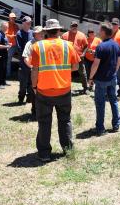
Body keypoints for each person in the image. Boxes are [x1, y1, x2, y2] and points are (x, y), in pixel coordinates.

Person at [31, 19, 80, 162]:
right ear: (59, 30)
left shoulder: (37, 46)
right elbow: (76, 67)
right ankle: (67, 150)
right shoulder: (68, 45)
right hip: (64, 90)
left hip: (44, 91)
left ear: (46, 31)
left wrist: (34, 86)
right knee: (65, 120)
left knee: (44, 122)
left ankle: (44, 154)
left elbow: (34, 70)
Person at [88, 22, 120, 136]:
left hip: (101, 80)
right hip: (112, 78)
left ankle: (100, 128)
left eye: (100, 30)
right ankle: (116, 125)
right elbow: (118, 62)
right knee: (113, 101)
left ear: (103, 32)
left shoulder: (101, 46)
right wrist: (114, 72)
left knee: (100, 103)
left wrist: (90, 78)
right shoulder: (116, 45)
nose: (98, 32)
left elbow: (95, 65)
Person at [22, 26, 44, 121]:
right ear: (35, 34)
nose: (42, 34)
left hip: (44, 72)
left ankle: (42, 111)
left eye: (42, 32)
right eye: (40, 33)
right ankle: (34, 112)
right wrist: (31, 67)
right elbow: (25, 57)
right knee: (34, 92)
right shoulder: (30, 44)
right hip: (35, 71)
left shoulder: (44, 42)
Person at [62, 21, 89, 94]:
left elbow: (86, 46)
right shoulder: (64, 35)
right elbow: (61, 46)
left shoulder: (82, 35)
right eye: (73, 26)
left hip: (79, 57)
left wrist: (83, 53)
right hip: (68, 58)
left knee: (83, 73)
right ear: (70, 27)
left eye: (75, 26)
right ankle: (66, 88)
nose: (74, 27)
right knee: (66, 73)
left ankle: (86, 88)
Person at [16, 16, 34, 103]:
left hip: (32, 61)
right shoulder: (19, 33)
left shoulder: (32, 32)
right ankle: (21, 98)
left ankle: (30, 98)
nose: (29, 24)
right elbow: (20, 49)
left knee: (32, 80)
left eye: (30, 22)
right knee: (23, 82)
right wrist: (26, 57)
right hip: (24, 61)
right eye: (28, 23)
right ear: (23, 23)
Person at [0, 21, 11, 89]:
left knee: (4, 68)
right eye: (5, 27)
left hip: (4, 53)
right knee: (0, 69)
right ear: (1, 27)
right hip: (0, 54)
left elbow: (4, 43)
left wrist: (8, 45)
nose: (6, 28)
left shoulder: (4, 34)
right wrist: (6, 47)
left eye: (7, 27)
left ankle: (3, 82)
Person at [6, 13, 19, 77]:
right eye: (12, 18)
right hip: (10, 45)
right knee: (8, 60)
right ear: (9, 18)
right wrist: (13, 36)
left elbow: (18, 33)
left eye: (14, 18)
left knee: (22, 58)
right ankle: (8, 74)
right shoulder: (6, 25)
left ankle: (20, 73)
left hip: (16, 44)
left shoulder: (16, 25)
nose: (13, 19)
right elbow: (6, 35)